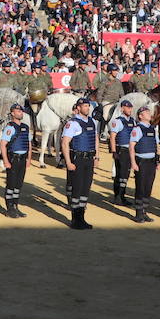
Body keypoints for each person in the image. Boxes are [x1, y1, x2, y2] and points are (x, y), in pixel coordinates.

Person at [61, 97, 97, 230]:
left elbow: (95, 138)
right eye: (85, 106)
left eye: (88, 105)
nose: (87, 108)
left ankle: (82, 219)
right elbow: (65, 143)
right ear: (79, 108)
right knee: (77, 189)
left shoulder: (92, 121)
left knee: (85, 189)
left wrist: (96, 157)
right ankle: (75, 220)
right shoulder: (73, 123)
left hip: (89, 158)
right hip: (78, 159)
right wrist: (68, 162)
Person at [0, 102, 32, 217]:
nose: (20, 113)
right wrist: (6, 161)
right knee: (11, 184)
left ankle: (16, 206)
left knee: (18, 184)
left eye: (21, 111)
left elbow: (29, 143)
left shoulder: (25, 127)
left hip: (23, 158)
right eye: (18, 111)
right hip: (13, 158)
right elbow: (3, 144)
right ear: (12, 113)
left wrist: (29, 158)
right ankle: (10, 208)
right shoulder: (10, 127)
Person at [128, 105, 159, 224]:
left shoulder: (152, 128)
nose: (149, 114)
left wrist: (158, 160)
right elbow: (132, 147)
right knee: (140, 187)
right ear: (140, 116)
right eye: (146, 112)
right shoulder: (137, 129)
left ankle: (144, 211)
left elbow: (156, 146)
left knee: (148, 187)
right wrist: (133, 163)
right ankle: (138, 214)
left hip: (151, 161)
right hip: (141, 161)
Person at [107, 97, 136, 205]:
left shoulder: (132, 121)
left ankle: (122, 196)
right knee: (120, 174)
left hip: (130, 150)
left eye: (131, 108)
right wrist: (114, 151)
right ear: (122, 108)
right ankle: (118, 196)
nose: (130, 110)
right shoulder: (118, 121)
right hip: (121, 149)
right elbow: (113, 136)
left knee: (126, 174)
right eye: (128, 108)